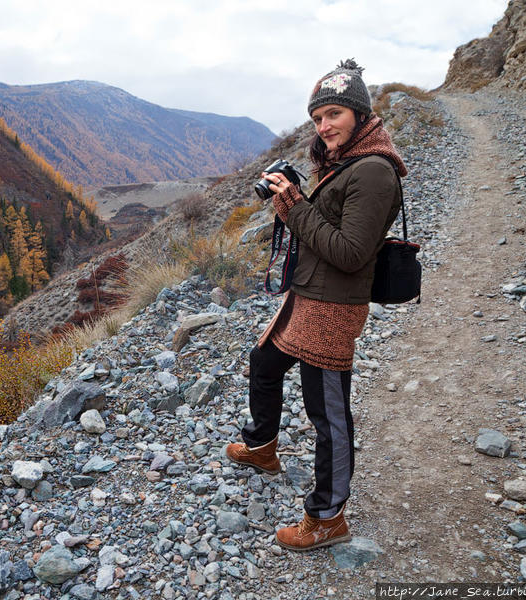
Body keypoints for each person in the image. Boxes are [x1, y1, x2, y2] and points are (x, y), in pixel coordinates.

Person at [225, 59, 408, 551]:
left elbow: (349, 253)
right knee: (264, 362)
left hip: (332, 307)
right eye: (317, 118)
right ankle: (262, 446)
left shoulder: (373, 171)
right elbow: (326, 228)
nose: (324, 126)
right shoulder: (347, 162)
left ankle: (328, 515)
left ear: (359, 115)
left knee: (327, 413)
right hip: (307, 297)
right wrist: (299, 197)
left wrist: (293, 205)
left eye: (333, 114)